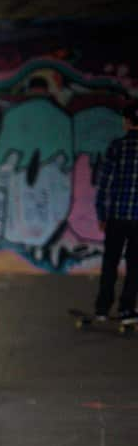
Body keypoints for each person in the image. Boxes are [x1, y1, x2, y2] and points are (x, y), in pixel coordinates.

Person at [94, 101, 138, 324]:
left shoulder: (117, 147)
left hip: (117, 218)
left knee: (110, 263)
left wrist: (101, 214)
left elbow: (105, 184)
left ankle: (102, 309)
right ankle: (126, 310)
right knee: (135, 266)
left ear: (127, 122)